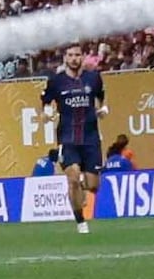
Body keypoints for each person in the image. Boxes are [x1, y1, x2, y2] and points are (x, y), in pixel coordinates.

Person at [43, 50, 109, 227]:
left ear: (82, 57)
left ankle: (83, 185)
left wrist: (102, 109)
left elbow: (101, 98)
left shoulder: (93, 78)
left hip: (90, 138)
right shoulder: (56, 81)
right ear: (65, 58)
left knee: (93, 185)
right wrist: (46, 113)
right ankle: (81, 223)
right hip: (67, 138)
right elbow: (46, 101)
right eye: (70, 55)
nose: (74, 59)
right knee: (72, 179)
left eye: (77, 55)